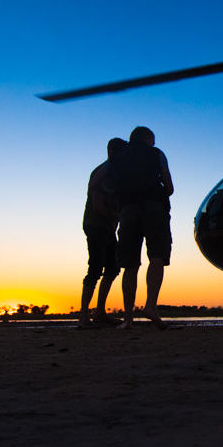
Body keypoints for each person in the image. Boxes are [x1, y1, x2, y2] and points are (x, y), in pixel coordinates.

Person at [113, 126, 173, 326]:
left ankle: (128, 318)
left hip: (127, 210)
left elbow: (114, 187)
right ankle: (150, 306)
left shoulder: (120, 158)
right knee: (157, 256)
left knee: (130, 264)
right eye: (153, 139)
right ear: (147, 138)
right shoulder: (156, 154)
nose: (154, 143)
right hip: (154, 207)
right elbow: (169, 186)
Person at [78, 137, 127, 326]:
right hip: (96, 225)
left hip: (107, 227)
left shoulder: (113, 172)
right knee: (95, 268)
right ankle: (84, 315)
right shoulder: (104, 173)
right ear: (114, 152)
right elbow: (98, 205)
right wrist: (119, 215)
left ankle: (99, 312)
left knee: (113, 268)